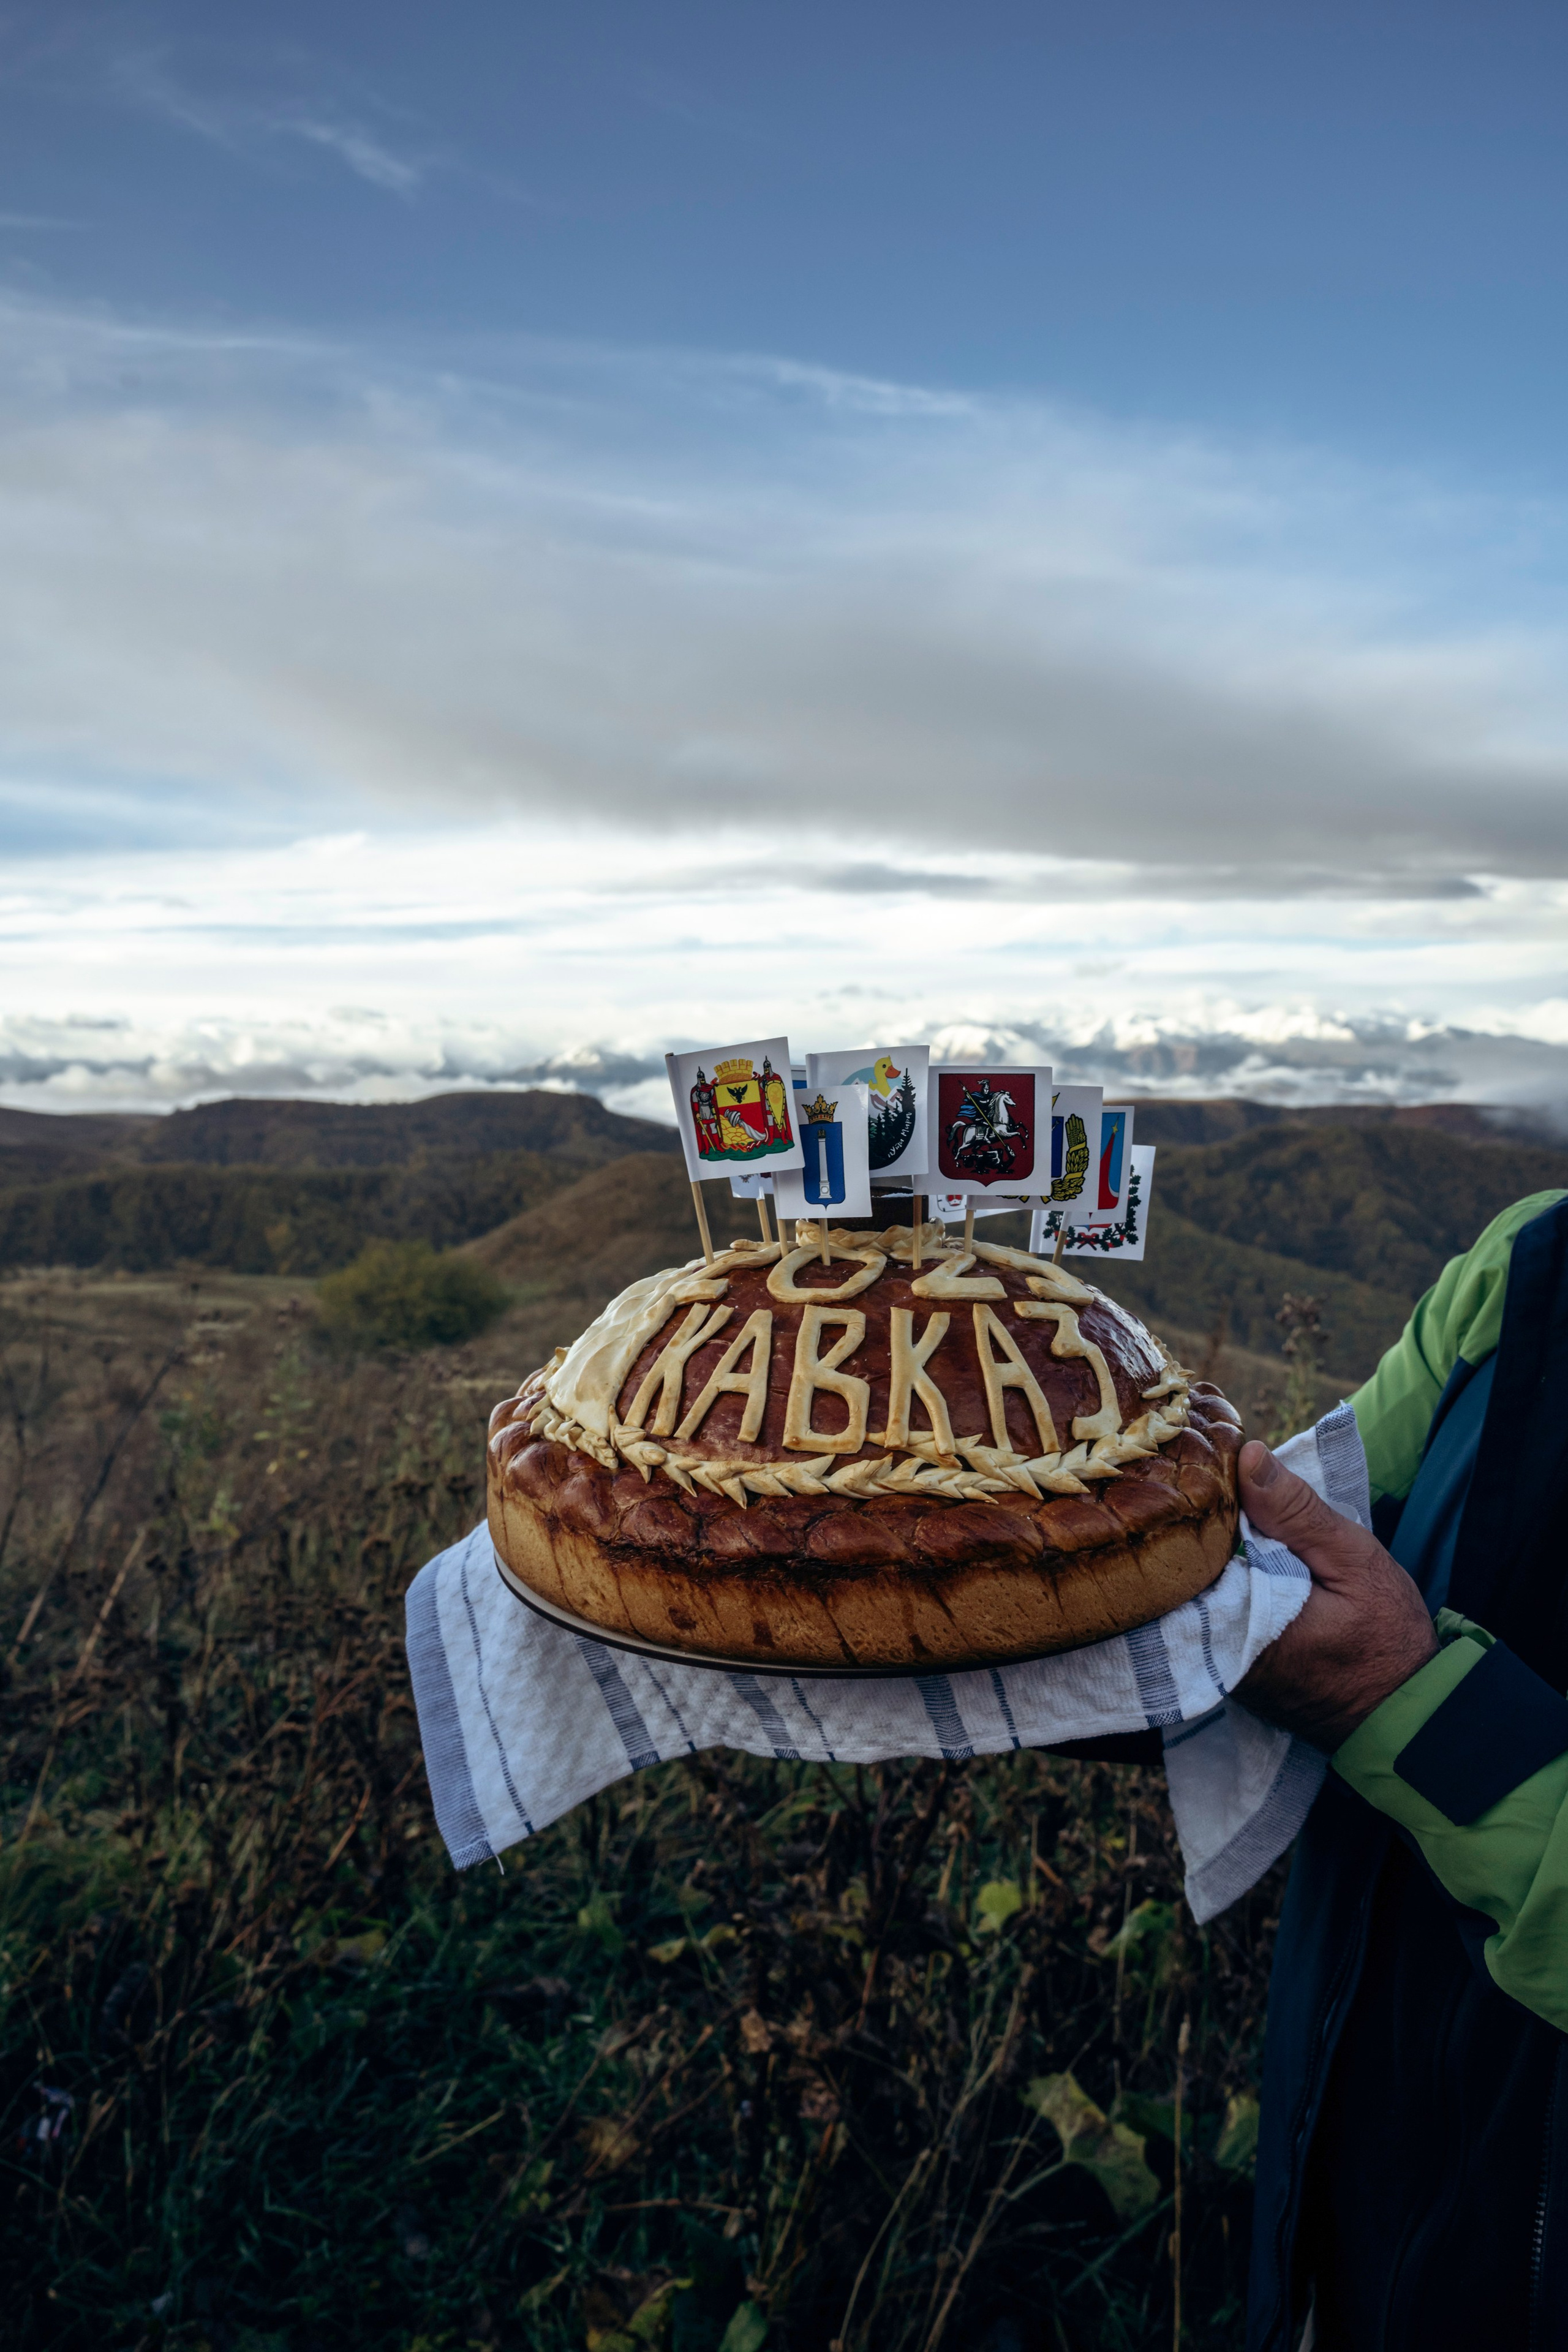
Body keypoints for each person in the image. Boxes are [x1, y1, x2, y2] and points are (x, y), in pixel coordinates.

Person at [1232, 1186, 1568, 2351]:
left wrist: (1404, 1703)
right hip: (1344, 2124)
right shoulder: (1533, 1258)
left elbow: (1361, 1664)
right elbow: (1280, 1549)